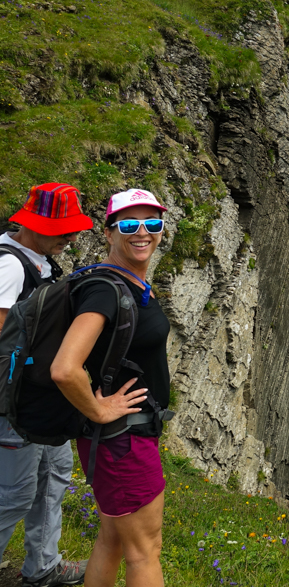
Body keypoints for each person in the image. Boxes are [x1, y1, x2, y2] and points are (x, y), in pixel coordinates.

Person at [50, 189, 171, 587]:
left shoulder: (128, 283)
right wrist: (99, 410)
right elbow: (65, 369)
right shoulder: (104, 289)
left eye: (152, 224)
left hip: (117, 440)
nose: (142, 232)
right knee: (144, 552)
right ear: (108, 232)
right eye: (129, 224)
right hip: (123, 440)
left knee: (113, 540)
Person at [0, 183, 93, 587]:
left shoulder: (36, 261)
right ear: (35, 226)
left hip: (36, 396)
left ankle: (42, 566)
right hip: (12, 403)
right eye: (63, 230)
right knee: (15, 493)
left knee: (55, 474)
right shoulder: (10, 267)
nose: (72, 238)